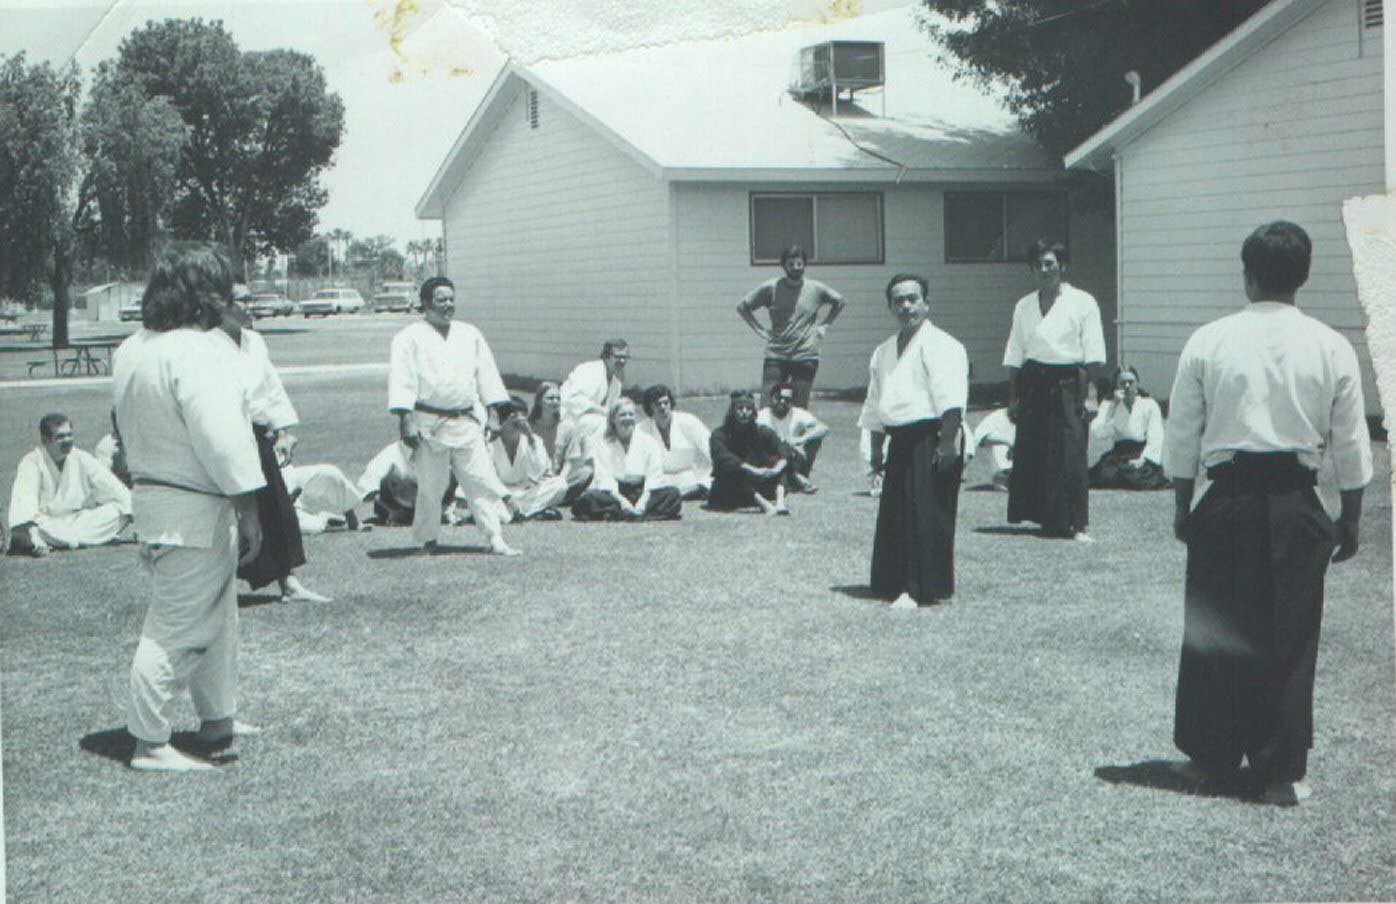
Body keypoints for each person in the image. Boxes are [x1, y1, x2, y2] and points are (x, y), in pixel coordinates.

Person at [1163, 221, 1371, 807]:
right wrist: (1349, 516)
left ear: (1248, 273)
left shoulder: (1209, 339)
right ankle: (1281, 773)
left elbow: (1183, 432)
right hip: (1295, 500)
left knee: (1216, 630)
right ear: (1302, 276)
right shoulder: (1330, 345)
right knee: (1289, 636)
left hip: (1225, 497)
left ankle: (1210, 759)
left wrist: (1184, 504)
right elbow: (1351, 441)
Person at [111, 243, 267, 773]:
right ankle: (150, 741)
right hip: (194, 507)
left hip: (157, 500)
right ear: (204, 300)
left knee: (218, 618)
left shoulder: (132, 348)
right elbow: (222, 439)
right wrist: (249, 507)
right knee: (176, 625)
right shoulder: (197, 351)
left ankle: (218, 717)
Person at [388, 276, 519, 555]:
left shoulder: (469, 333)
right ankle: (427, 539)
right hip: (428, 423)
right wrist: (406, 420)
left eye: (451, 299)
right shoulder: (408, 338)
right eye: (441, 300)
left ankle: (495, 537)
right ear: (425, 303)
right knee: (431, 486)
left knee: (479, 481)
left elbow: (487, 375)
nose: (448, 305)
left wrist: (494, 412)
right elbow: (402, 381)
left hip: (466, 420)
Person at [216, 285, 331, 603]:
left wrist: (283, 431)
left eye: (250, 300)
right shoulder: (207, 344)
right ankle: (214, 589)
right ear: (222, 305)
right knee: (224, 513)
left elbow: (272, 388)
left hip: (258, 434)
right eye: (241, 300)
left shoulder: (255, 342)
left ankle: (289, 583)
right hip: (223, 436)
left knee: (277, 508)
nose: (249, 306)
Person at [860, 274, 968, 609]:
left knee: (925, 513)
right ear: (890, 306)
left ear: (926, 303)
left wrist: (947, 444)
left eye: (912, 298)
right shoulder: (883, 352)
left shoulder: (943, 345)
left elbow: (951, 401)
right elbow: (875, 405)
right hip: (900, 439)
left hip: (932, 436)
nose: (906, 306)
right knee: (896, 514)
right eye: (898, 300)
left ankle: (919, 587)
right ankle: (892, 582)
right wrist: (876, 454)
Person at [1002, 238, 1107, 541]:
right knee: (1035, 450)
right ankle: (1044, 516)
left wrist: (1090, 395)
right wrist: (1013, 397)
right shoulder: (1024, 305)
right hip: (1033, 381)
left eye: (1050, 264)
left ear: (1062, 266)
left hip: (1069, 382)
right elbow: (1015, 354)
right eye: (1038, 265)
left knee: (1069, 451)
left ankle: (1077, 522)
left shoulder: (1083, 302)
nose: (1044, 270)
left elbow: (1094, 353)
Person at [736, 244, 846, 409]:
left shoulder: (816, 288)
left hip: (806, 355)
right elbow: (743, 307)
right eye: (791, 264)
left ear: (804, 265)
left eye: (799, 264)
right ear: (784, 266)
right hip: (776, 354)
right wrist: (759, 330)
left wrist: (825, 325)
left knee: (799, 408)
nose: (795, 268)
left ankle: (794, 435)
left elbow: (840, 301)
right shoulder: (771, 287)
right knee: (767, 407)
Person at [7, 413, 133, 556]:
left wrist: (134, 510)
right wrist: (33, 534)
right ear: (45, 440)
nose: (67, 440)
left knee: (118, 510)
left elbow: (112, 486)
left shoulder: (81, 457)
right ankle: (35, 539)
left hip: (76, 521)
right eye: (60, 437)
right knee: (34, 528)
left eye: (69, 435)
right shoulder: (31, 462)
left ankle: (63, 540)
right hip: (45, 524)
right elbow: (25, 500)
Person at [570, 397, 683, 521]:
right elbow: (605, 479)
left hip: (643, 491)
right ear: (613, 419)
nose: (627, 418)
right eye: (623, 415)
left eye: (631, 414)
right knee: (586, 500)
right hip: (615, 493)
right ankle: (634, 513)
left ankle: (623, 513)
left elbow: (653, 477)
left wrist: (642, 503)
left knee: (673, 494)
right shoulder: (602, 444)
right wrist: (624, 504)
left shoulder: (648, 442)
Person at [484, 396, 569, 522]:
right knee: (484, 498)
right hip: (501, 493)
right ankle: (526, 512)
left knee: (560, 485)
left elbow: (537, 473)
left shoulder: (533, 441)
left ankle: (517, 513)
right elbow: (487, 479)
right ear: (503, 421)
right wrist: (507, 497)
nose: (519, 424)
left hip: (524, 491)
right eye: (515, 420)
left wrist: (530, 439)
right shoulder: (489, 443)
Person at [707, 390, 789, 515]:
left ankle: (780, 502)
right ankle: (764, 505)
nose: (744, 412)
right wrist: (752, 469)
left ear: (753, 412)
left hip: (759, 482)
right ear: (732, 410)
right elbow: (723, 458)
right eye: (740, 408)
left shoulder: (762, 431)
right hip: (735, 489)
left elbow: (783, 448)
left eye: (749, 408)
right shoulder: (720, 434)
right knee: (731, 471)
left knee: (780, 462)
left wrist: (776, 469)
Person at [1088, 366, 1168, 490]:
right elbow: (1098, 433)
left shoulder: (1149, 404)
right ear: (1117, 386)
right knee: (1106, 476)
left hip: (1140, 453)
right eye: (1122, 383)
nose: (1127, 386)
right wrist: (1114, 406)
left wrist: (1143, 459)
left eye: (1130, 382)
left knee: (1138, 477)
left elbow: (1156, 436)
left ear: (1137, 384)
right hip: (1118, 454)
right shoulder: (1109, 404)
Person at [356, 439, 467, 527]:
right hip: (395, 503)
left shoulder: (443, 449)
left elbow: (463, 487)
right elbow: (367, 491)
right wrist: (392, 509)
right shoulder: (391, 454)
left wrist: (446, 506)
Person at [276, 436, 369, 533]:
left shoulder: (268, 428)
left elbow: (290, 438)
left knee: (330, 472)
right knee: (304, 527)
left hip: (286, 473)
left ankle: (352, 519)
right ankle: (323, 518)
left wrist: (286, 446)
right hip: (268, 487)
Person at [636, 384, 712, 500]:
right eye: (657, 404)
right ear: (650, 407)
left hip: (691, 480)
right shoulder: (641, 429)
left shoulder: (689, 421)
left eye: (666, 403)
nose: (663, 407)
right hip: (660, 480)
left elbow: (712, 448)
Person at [757, 380, 829, 493]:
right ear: (771, 398)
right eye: (778, 398)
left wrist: (801, 438)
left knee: (815, 438)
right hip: (772, 458)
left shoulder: (798, 413)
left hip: (795, 456)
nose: (782, 401)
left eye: (786, 399)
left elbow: (823, 428)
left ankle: (795, 475)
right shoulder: (762, 415)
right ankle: (795, 477)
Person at [528, 381, 591, 502]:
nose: (555, 402)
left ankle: (553, 496)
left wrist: (560, 480)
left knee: (586, 473)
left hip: (557, 478)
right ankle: (553, 498)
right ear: (539, 401)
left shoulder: (568, 427)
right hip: (532, 478)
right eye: (550, 398)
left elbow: (569, 461)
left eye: (558, 398)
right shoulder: (528, 427)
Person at [560, 340, 628, 445]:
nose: (622, 361)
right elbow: (575, 400)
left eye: (625, 357)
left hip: (594, 423)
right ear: (606, 356)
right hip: (570, 419)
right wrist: (605, 413)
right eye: (618, 357)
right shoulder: (590, 370)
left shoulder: (616, 384)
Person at [970, 407, 1015, 491]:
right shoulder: (999, 416)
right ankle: (1004, 477)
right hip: (1005, 467)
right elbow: (977, 438)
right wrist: (1008, 441)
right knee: (1001, 440)